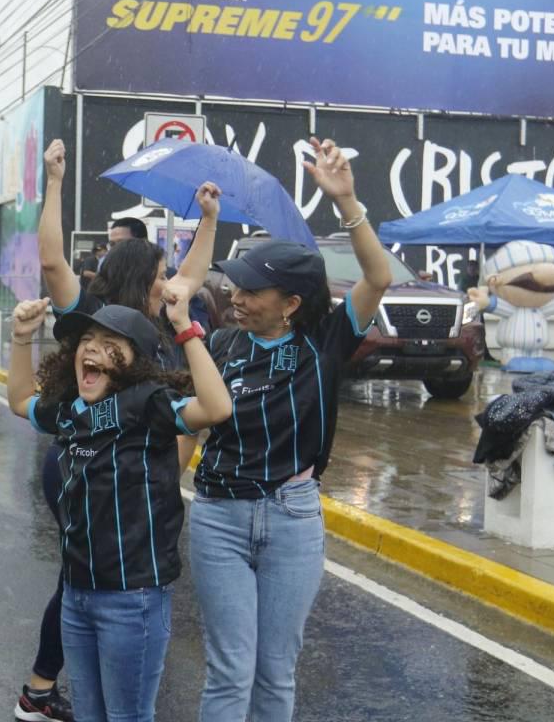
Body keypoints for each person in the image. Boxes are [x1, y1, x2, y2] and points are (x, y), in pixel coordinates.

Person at [8, 140, 220, 722]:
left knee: (116, 570)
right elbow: (52, 261)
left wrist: (209, 220)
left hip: (144, 473)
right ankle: (40, 684)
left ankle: (64, 674)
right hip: (85, 462)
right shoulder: (92, 310)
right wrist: (55, 181)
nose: (169, 281)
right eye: (160, 274)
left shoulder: (158, 323)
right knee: (84, 568)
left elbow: (193, 278)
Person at [191, 137, 390, 722]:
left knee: (276, 672)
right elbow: (188, 420)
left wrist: (346, 200)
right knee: (230, 670)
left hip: (293, 516)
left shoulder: (324, 342)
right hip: (219, 516)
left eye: (252, 290)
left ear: (292, 303)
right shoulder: (221, 344)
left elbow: (378, 277)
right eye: (235, 286)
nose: (236, 297)